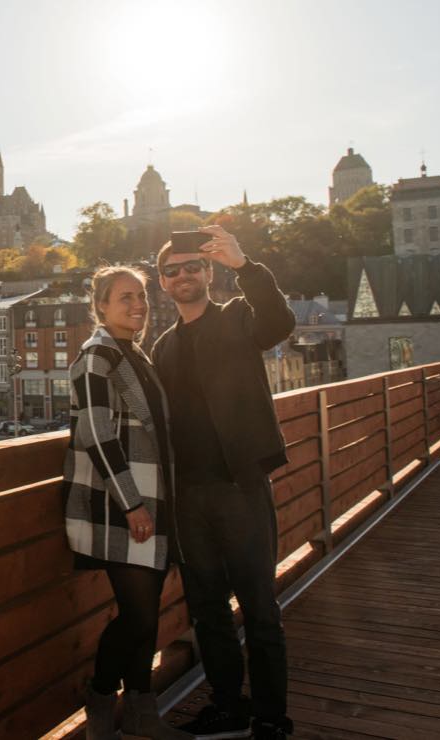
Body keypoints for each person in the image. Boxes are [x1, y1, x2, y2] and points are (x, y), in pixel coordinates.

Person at [151, 225, 296, 739]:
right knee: (208, 612)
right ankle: (229, 707)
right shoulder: (162, 347)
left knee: (259, 607)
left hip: (239, 487)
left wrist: (245, 265)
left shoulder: (237, 318)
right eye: (173, 270)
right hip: (188, 498)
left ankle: (272, 717)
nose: (184, 275)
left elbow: (279, 322)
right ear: (163, 283)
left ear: (209, 273)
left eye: (194, 266)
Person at [63, 265, 191, 740]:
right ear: (100, 306)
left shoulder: (134, 354)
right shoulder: (96, 356)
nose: (138, 305)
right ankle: (99, 697)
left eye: (140, 296)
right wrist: (131, 503)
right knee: (137, 616)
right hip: (122, 510)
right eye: (124, 298)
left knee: (146, 618)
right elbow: (95, 433)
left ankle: (142, 717)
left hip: (154, 506)